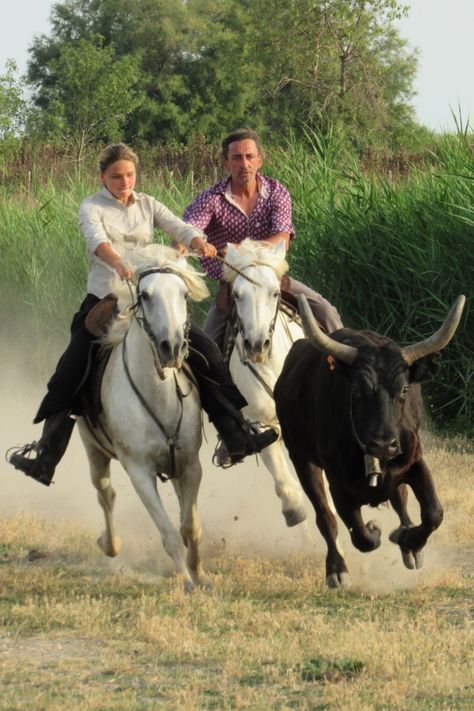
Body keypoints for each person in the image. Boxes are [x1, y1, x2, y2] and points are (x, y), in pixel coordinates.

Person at [9, 143, 277, 486]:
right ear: (102, 176)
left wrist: (197, 240)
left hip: (152, 299)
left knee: (207, 351)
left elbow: (178, 226)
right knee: (71, 366)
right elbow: (96, 241)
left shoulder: (148, 203)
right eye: (116, 176)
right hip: (106, 299)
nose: (124, 182)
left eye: (130, 175)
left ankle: (237, 433)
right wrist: (119, 263)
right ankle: (46, 454)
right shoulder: (91, 206)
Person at [183, 128, 343, 348]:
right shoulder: (211, 198)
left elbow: (282, 239)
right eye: (236, 158)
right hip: (233, 283)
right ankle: (215, 382)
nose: (244, 164)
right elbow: (188, 229)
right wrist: (193, 242)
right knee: (208, 346)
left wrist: (241, 248)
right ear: (226, 164)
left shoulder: (277, 192)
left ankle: (339, 368)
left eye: (249, 157)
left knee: (328, 313)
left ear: (260, 160)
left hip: (273, 277)